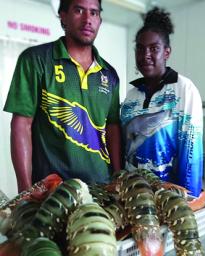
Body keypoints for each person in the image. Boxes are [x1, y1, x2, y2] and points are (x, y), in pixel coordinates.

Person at [3, 0, 122, 192]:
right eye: (79, 10)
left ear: (100, 19)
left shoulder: (110, 74)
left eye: (94, 13)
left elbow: (113, 128)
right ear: (63, 15)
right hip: (52, 191)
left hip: (102, 189)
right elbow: (21, 125)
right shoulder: (36, 60)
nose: (87, 19)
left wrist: (117, 178)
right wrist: (25, 191)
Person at [120, 7, 204, 197]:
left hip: (168, 198)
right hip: (133, 196)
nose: (145, 55)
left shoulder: (183, 89)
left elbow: (191, 154)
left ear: (166, 52)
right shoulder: (131, 96)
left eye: (154, 48)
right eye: (140, 49)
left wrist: (188, 200)